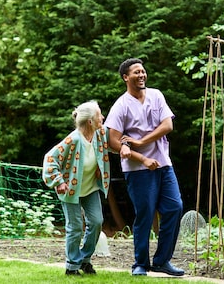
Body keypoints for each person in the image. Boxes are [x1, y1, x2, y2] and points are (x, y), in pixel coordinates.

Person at [104, 58, 184, 276]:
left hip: (163, 164)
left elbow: (168, 125)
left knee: (174, 207)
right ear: (125, 77)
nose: (141, 75)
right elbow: (113, 139)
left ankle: (162, 261)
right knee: (145, 214)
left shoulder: (156, 95)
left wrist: (141, 142)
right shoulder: (121, 105)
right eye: (136, 72)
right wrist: (140, 156)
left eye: (143, 71)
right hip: (138, 170)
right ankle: (140, 263)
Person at [42, 100, 112, 277]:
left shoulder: (100, 134)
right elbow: (50, 159)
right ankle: (72, 266)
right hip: (70, 190)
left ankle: (84, 260)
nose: (102, 117)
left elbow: (114, 143)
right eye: (99, 115)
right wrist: (58, 181)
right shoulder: (73, 139)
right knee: (74, 227)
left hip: (90, 188)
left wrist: (126, 144)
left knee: (96, 222)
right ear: (90, 121)